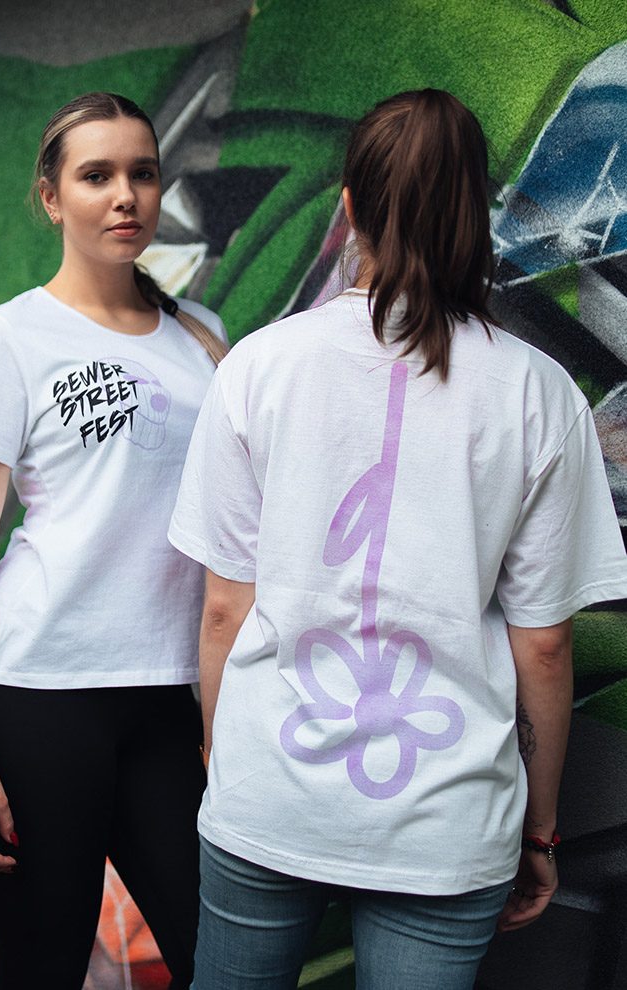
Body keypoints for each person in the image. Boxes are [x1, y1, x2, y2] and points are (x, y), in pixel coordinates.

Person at [167, 89, 627, 990]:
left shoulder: (258, 366)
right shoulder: (537, 393)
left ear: (348, 206)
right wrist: (539, 832)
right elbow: (544, 644)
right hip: (446, 826)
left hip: (268, 796)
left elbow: (224, 610)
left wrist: (228, 761)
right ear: (478, 213)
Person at [0, 91, 227, 990]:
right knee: (44, 968)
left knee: (222, 959)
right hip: (39, 699)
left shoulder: (205, 338)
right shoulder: (11, 337)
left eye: (143, 173)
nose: (125, 195)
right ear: (53, 199)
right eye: (96, 176)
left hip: (168, 702)